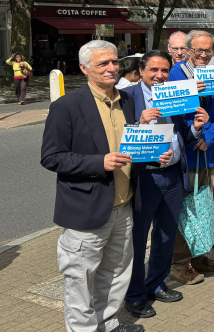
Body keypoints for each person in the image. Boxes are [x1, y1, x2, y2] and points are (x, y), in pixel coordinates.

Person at [41, 40, 159, 332]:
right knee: (81, 281)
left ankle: (107, 322)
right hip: (87, 210)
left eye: (114, 62)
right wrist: (98, 163)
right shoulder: (66, 106)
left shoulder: (128, 100)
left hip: (124, 206)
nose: (111, 68)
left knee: (117, 273)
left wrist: (155, 151)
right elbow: (51, 157)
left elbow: (133, 146)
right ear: (84, 68)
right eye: (102, 64)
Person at [122, 51, 208, 319]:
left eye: (164, 70)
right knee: (137, 239)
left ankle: (156, 284)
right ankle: (134, 295)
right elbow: (119, 137)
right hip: (145, 177)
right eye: (153, 70)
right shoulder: (127, 97)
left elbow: (182, 131)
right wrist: (139, 123)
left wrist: (195, 127)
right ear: (141, 71)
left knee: (166, 235)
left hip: (173, 176)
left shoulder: (175, 94)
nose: (159, 76)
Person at [167, 30, 214, 285]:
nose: (203, 55)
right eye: (198, 50)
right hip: (188, 154)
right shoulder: (177, 73)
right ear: (188, 50)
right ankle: (179, 264)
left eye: (208, 51)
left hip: (207, 152)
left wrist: (209, 137)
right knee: (187, 210)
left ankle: (201, 256)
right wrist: (196, 134)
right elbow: (178, 113)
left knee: (204, 207)